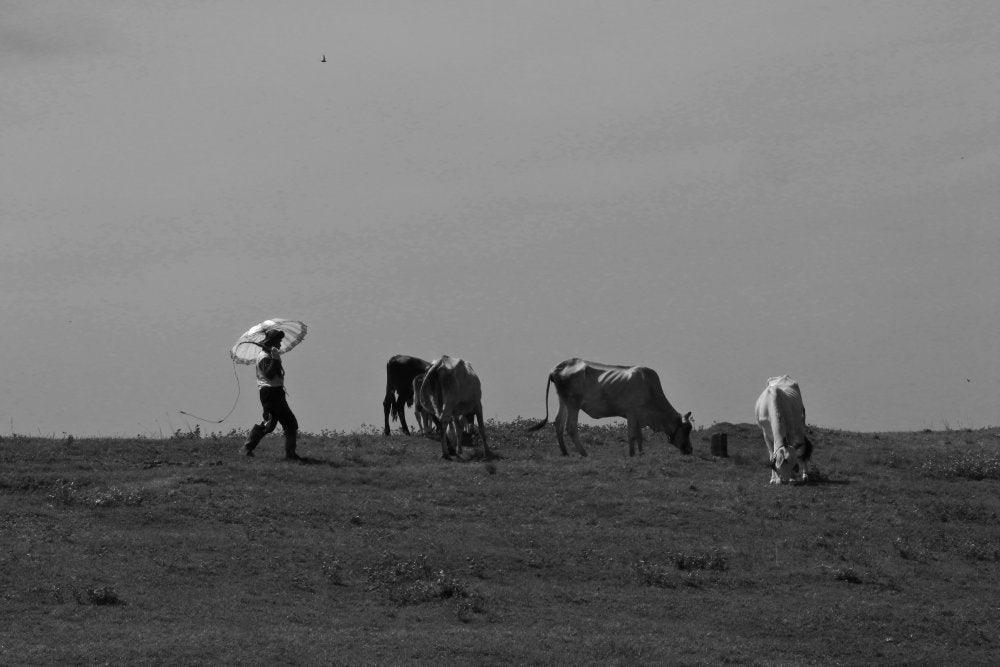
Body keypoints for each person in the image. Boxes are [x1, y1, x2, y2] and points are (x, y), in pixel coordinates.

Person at [242, 329, 300, 460]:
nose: (280, 345)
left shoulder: (269, 355)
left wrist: (275, 358)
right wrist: (275, 359)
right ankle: (291, 455)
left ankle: (248, 447)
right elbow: (269, 374)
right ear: (271, 342)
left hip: (274, 392)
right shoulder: (264, 357)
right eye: (278, 341)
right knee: (290, 423)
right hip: (271, 393)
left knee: (270, 423)